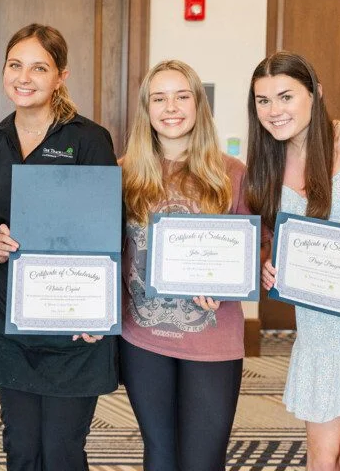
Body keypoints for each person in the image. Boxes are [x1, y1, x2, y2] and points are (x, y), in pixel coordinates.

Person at [0, 23, 118, 471]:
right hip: (14, 319)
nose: (24, 77)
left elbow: (109, 229)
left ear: (61, 76)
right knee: (20, 448)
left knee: (62, 451)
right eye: (15, 65)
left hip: (75, 322)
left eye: (39, 67)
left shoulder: (90, 140)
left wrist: (100, 311)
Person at [119, 60, 252, 471]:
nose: (170, 107)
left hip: (212, 341)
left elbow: (254, 251)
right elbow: (106, 252)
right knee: (159, 455)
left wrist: (228, 284)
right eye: (159, 98)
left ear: (199, 105)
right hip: (143, 338)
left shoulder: (231, 174)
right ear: (146, 109)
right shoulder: (123, 173)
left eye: (182, 96)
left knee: (203, 461)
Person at [248, 51, 340, 471]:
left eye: (285, 96)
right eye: (263, 101)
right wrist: (270, 265)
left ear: (316, 93)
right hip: (319, 332)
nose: (274, 110)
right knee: (322, 460)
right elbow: (275, 240)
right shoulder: (267, 165)